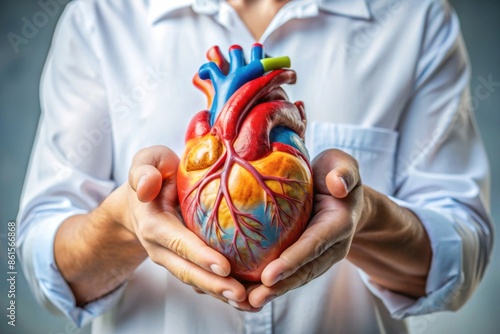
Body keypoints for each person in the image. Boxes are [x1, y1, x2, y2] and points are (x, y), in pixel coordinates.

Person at [17, 0, 494, 333]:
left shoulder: (415, 17)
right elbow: (44, 262)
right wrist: (124, 224)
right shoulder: (100, 18)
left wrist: (366, 219)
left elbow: (461, 256)